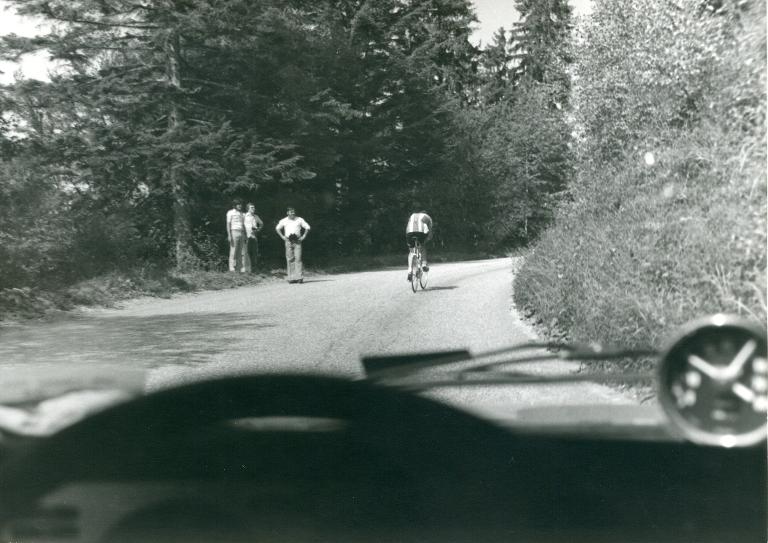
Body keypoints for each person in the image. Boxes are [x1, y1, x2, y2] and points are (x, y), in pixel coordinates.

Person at [275, 207, 311, 283]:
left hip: (297, 240)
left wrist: (304, 236)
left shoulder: (299, 219)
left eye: (294, 212)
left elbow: (307, 227)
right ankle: (291, 278)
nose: (293, 213)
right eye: (291, 212)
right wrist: (282, 237)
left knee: (298, 258)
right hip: (288, 241)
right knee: (290, 259)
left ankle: (299, 277)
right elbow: (277, 228)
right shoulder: (284, 220)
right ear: (287, 213)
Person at [405, 210, 433, 282]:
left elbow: (408, 225)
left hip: (409, 232)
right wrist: (425, 241)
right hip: (420, 232)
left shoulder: (412, 215)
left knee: (411, 251)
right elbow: (430, 234)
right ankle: (423, 264)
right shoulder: (428, 218)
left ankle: (410, 270)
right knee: (423, 247)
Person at [226, 200, 246, 272]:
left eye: (240, 204)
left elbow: (243, 225)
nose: (240, 206)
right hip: (234, 232)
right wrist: (229, 235)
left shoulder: (242, 214)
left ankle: (240, 267)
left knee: (241, 251)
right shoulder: (230, 212)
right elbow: (228, 224)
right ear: (234, 205)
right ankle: (231, 268)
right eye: (238, 204)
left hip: (241, 232)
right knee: (233, 250)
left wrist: (245, 234)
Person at [244, 203, 264, 273]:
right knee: (247, 253)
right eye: (252, 207)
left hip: (254, 236)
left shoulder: (256, 216)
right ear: (248, 209)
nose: (254, 209)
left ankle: (254, 270)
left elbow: (261, 223)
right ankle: (247, 270)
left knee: (254, 253)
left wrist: (258, 229)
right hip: (247, 236)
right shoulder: (244, 216)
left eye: (254, 207)